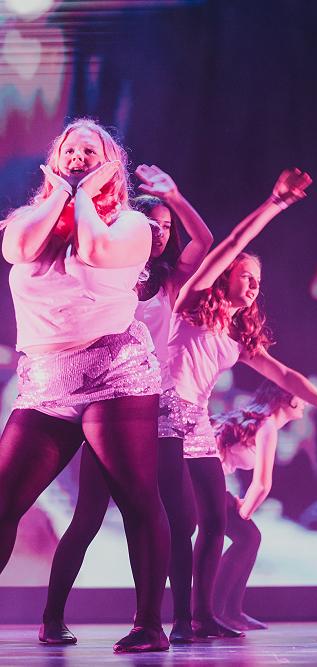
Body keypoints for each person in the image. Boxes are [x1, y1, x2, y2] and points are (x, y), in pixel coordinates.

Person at [160, 168, 317, 642]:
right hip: (163, 419)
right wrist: (275, 202)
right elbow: (234, 241)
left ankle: (202, 617)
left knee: (217, 523)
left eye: (258, 280)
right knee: (182, 524)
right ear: (224, 276)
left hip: (197, 424)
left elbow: (288, 377)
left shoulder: (235, 337)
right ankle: (176, 619)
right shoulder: (190, 303)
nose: (253, 285)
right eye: (245, 276)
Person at [0, 119, 169, 652]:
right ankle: (50, 617)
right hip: (46, 381)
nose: (78, 156)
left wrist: (88, 196)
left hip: (113, 373)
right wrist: (59, 195)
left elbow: (95, 252)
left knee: (136, 499)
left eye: (90, 152)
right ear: (55, 160)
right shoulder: (29, 220)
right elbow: (17, 251)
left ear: (110, 165)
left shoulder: (132, 225)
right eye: (70, 150)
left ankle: (149, 625)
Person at [39, 165, 214, 646]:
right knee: (88, 516)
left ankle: (174, 622)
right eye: (151, 224)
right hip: (110, 405)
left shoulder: (172, 279)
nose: (160, 233)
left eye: (166, 227)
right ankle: (51, 618)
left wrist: (175, 197)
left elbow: (204, 241)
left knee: (175, 517)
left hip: (157, 408)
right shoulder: (108, 275)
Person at [210, 380, 304, 630]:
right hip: (197, 484)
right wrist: (245, 510)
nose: (306, 401)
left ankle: (230, 611)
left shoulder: (260, 421)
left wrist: (237, 504)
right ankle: (215, 613)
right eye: (301, 395)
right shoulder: (267, 425)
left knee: (249, 537)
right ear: (285, 399)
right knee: (248, 537)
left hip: (204, 483)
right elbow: (262, 484)